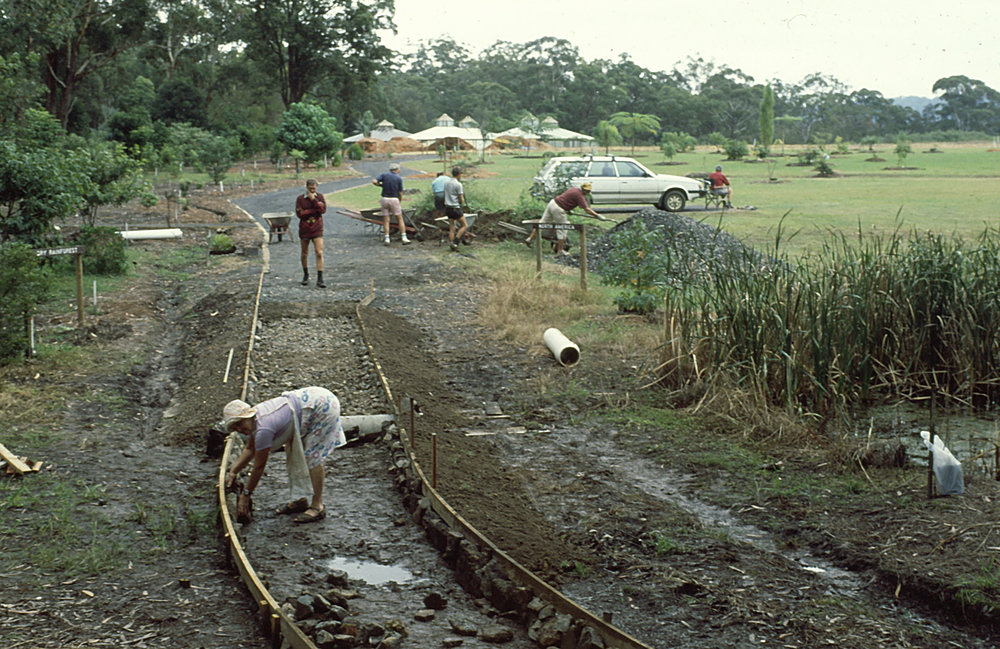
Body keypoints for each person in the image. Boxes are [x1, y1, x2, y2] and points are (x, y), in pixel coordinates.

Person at [223, 387, 346, 525]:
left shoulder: (263, 429)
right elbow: (250, 449)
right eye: (235, 428)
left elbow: (258, 467)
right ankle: (301, 499)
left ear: (248, 416)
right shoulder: (253, 422)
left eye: (240, 424)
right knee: (296, 452)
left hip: (321, 406)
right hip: (308, 403)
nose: (240, 429)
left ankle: (317, 506)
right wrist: (233, 471)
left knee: (312, 457)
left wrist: (246, 495)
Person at [524, 182, 604, 256]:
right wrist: (597, 216)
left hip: (552, 203)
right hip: (558, 209)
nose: (588, 193)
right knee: (562, 229)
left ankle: (529, 238)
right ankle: (560, 251)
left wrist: (568, 209)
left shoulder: (574, 189)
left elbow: (566, 199)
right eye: (588, 191)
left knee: (542, 223)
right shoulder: (579, 195)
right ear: (584, 190)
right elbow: (587, 209)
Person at [295, 179, 326, 287]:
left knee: (319, 252)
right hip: (305, 228)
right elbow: (300, 214)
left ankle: (320, 277)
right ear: (306, 187)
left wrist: (313, 200)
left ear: (316, 187)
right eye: (310, 188)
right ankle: (305, 274)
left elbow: (322, 210)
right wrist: (315, 208)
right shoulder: (300, 199)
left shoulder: (320, 197)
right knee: (304, 252)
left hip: (317, 227)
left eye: (314, 188)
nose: (312, 190)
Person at [372, 162, 410, 247]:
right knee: (399, 218)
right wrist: (399, 201)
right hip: (394, 199)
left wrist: (380, 185)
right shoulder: (398, 178)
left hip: (384, 199)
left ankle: (387, 238)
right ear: (397, 169)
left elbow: (374, 181)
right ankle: (404, 237)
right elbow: (400, 192)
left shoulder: (384, 175)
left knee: (386, 220)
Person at [443, 166, 468, 251]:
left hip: (448, 208)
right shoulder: (458, 184)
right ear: (459, 174)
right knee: (464, 225)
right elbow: (461, 199)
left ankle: (451, 244)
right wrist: (461, 203)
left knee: (452, 227)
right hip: (455, 208)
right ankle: (456, 242)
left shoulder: (446, 183)